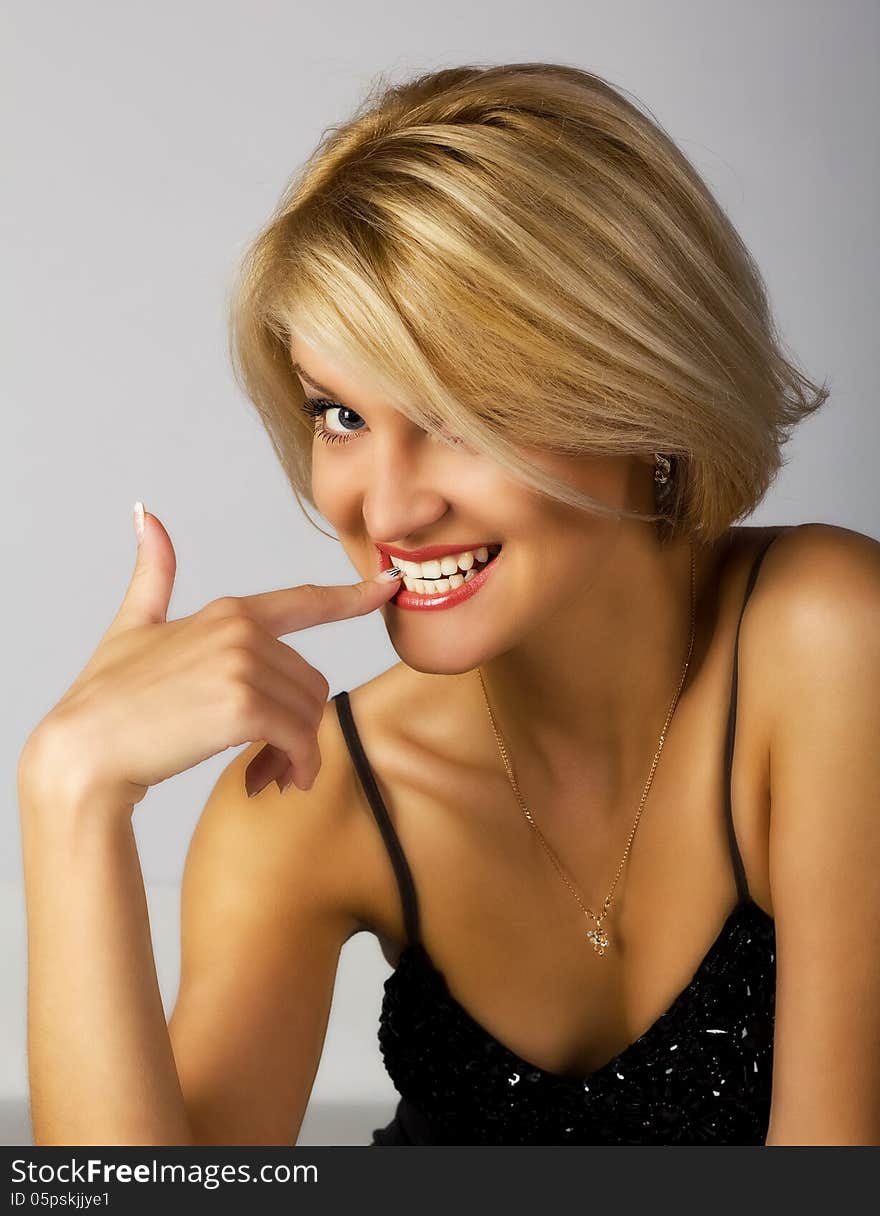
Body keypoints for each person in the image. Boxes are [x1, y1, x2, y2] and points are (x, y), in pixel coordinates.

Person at [17, 62, 880, 1147]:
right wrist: (70, 795)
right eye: (340, 413)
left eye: (463, 412)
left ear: (641, 393)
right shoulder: (314, 798)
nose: (387, 502)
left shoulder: (828, 637)